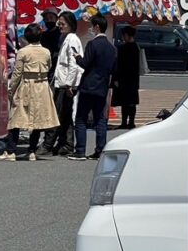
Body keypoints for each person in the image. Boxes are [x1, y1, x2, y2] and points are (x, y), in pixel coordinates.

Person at [2, 23, 59, 161]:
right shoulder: (46, 51)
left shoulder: (23, 52)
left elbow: (17, 73)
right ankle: (32, 151)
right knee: (37, 119)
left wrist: (11, 89)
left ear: (27, 36)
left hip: (27, 85)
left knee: (16, 118)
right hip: (42, 86)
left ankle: (11, 151)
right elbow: (49, 66)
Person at [71, 14, 116, 161]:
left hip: (88, 86)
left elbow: (84, 63)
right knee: (100, 120)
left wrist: (77, 56)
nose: (90, 29)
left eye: (91, 26)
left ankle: (80, 151)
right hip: (102, 87)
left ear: (97, 27)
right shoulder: (111, 48)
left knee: (81, 119)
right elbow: (114, 69)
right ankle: (100, 150)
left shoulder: (92, 44)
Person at [43, 11, 81, 156]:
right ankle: (67, 144)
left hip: (66, 83)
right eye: (59, 23)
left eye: (62, 23)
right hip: (61, 81)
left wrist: (71, 84)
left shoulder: (72, 40)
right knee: (65, 115)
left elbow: (74, 64)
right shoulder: (65, 38)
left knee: (56, 115)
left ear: (71, 25)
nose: (59, 26)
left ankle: (47, 145)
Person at [112, 25, 141, 129]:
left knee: (124, 102)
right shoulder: (136, 47)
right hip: (133, 79)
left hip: (123, 79)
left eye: (124, 35)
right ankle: (131, 122)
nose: (123, 37)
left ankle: (124, 122)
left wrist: (115, 78)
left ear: (127, 35)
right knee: (132, 102)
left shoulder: (123, 48)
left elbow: (118, 65)